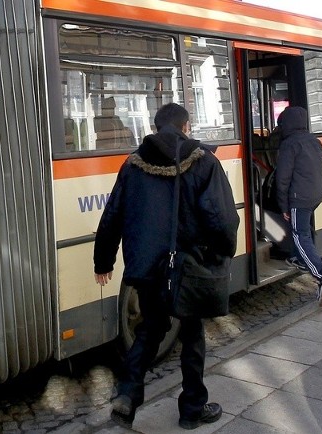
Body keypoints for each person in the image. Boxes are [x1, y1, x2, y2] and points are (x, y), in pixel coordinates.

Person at [93, 103, 239, 430]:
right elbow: (222, 219)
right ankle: (191, 410)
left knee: (150, 330)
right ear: (186, 127)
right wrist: (224, 252)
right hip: (188, 267)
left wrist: (103, 260)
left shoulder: (132, 165)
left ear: (156, 127)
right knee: (192, 335)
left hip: (146, 269)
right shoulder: (204, 163)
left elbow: (112, 216)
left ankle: (128, 395)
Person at [274, 106, 322, 307]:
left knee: (300, 235)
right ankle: (298, 258)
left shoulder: (289, 145)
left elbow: (282, 179)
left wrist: (283, 205)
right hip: (317, 193)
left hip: (299, 197)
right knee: (304, 228)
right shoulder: (314, 141)